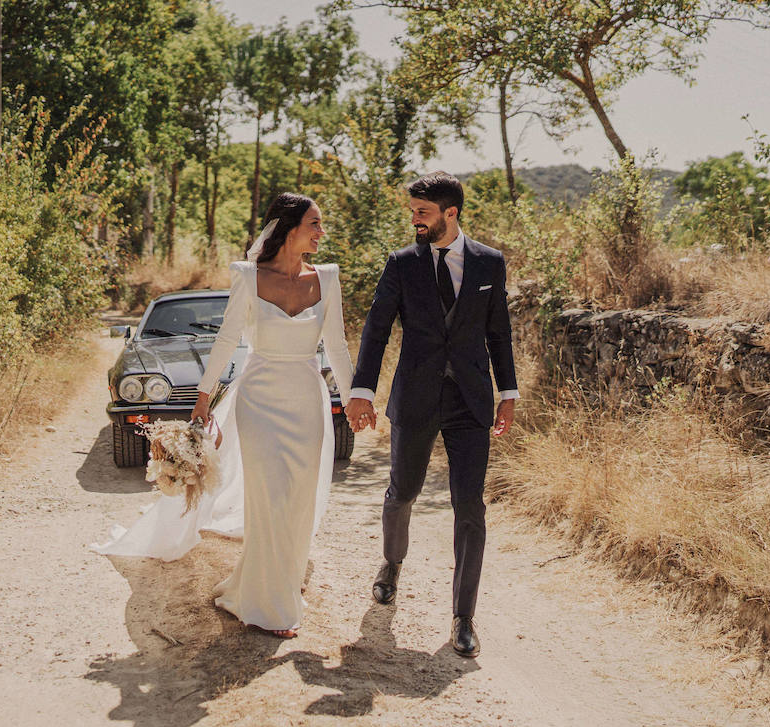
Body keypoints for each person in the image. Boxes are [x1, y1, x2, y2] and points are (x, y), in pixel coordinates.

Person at [92, 193, 354, 640]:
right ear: (289, 227)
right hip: (259, 399)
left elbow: (339, 345)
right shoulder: (248, 277)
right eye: (315, 223)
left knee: (298, 497)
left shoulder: (327, 279)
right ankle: (267, 603)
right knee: (268, 496)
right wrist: (202, 397)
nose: (321, 232)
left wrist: (354, 400)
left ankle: (284, 584)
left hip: (307, 398)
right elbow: (228, 339)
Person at [343, 172, 518, 659]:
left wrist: (508, 391)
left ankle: (463, 617)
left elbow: (498, 332)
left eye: (423, 212)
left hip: (471, 401)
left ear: (450, 213)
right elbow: (376, 329)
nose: (415, 220)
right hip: (416, 397)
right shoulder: (401, 264)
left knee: (470, 508)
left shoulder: (489, 262)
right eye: (414, 212)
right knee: (404, 491)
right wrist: (362, 389)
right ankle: (391, 564)